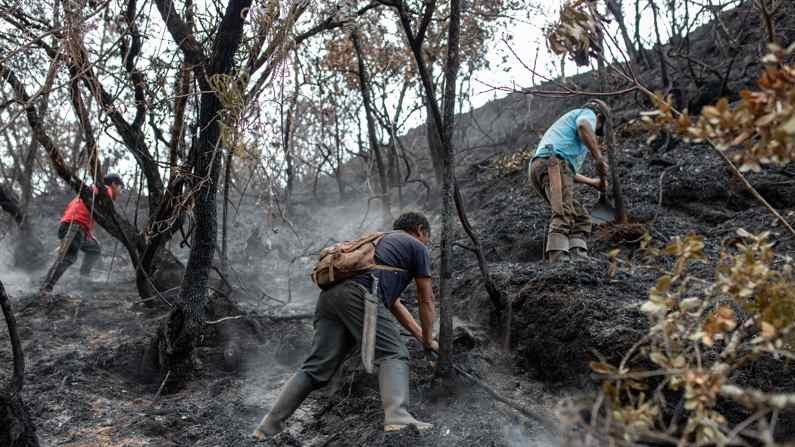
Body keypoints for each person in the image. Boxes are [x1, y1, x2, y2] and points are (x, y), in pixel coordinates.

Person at [253, 211, 438, 441]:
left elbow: (395, 305)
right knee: (393, 352)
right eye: (427, 239)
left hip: (330, 298)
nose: (426, 244)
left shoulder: (381, 241)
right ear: (420, 230)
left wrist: (422, 336)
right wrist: (430, 339)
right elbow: (426, 299)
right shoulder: (416, 245)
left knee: (316, 367)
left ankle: (268, 426)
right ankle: (398, 417)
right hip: (358, 295)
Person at [529, 99, 611, 263]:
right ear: (599, 117)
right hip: (552, 163)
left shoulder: (568, 137)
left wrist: (592, 182)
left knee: (580, 216)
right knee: (563, 211)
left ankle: (579, 257)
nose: (596, 132)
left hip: (542, 167)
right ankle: (558, 258)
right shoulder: (587, 114)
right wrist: (599, 158)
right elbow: (583, 126)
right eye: (599, 129)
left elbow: (568, 172)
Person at [40, 174, 124, 293]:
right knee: (68, 257)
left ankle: (83, 278)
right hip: (74, 226)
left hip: (75, 227)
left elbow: (83, 211)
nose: (121, 192)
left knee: (94, 248)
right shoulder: (106, 191)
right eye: (121, 188)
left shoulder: (93, 191)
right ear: (114, 184)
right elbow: (107, 214)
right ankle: (46, 288)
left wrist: (87, 233)